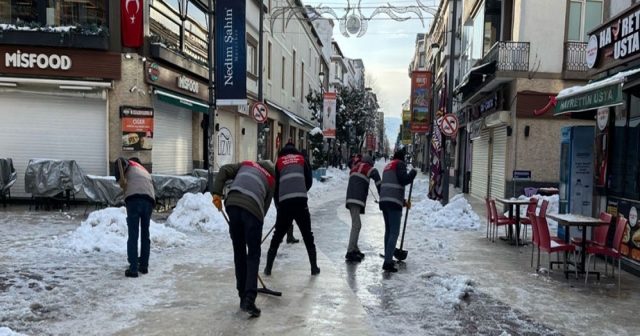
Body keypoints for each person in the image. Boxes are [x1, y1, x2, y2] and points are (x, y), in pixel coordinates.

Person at [212, 160, 276, 318]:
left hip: (232, 204)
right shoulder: (271, 179)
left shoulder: (246, 164)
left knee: (239, 252)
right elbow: (264, 208)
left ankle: (242, 295)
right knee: (253, 255)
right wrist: (255, 233)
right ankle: (249, 299)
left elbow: (225, 169)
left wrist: (217, 193)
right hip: (253, 210)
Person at [264, 142, 320, 276]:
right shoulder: (301, 159)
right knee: (307, 234)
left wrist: (279, 203)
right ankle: (314, 267)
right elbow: (309, 180)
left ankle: (268, 268)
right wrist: (301, 191)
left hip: (285, 203)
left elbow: (275, 186)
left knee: (277, 235)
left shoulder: (279, 162)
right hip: (301, 202)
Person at [114, 157, 155, 278]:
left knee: (133, 235)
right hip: (149, 201)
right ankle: (144, 266)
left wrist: (119, 178)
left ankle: (133, 269)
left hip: (134, 200)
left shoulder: (130, 164)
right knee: (145, 236)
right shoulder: (145, 171)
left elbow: (120, 161)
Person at [379, 150, 417, 272]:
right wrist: (413, 173)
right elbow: (403, 180)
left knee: (389, 231)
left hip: (384, 201)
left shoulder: (388, 166)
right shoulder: (399, 164)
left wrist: (403, 201)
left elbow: (392, 185)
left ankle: (388, 256)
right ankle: (388, 262)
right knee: (394, 232)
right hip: (393, 203)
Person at [345, 155, 381, 262]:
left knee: (357, 224)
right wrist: (381, 192)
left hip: (351, 198)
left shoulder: (356, 167)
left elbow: (350, 165)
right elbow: (376, 175)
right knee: (356, 225)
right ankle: (350, 251)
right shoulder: (367, 167)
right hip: (356, 198)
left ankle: (355, 248)